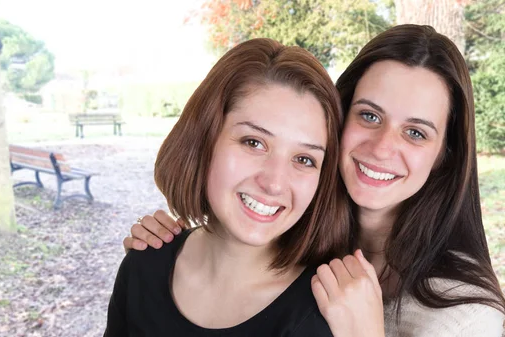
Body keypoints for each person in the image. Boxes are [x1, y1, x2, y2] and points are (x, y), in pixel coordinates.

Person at [122, 24, 505, 336]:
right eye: (369, 116)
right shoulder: (293, 235)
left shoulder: (466, 320)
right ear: (335, 126)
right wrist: (170, 245)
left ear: (444, 157)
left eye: (416, 133)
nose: (383, 147)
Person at [104, 37, 372, 336]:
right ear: (204, 138)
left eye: (304, 159)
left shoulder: (326, 314)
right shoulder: (143, 264)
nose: (273, 183)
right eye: (254, 142)